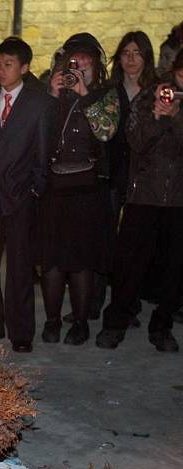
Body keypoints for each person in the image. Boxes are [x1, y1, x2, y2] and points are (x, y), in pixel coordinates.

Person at [0, 37, 55, 353]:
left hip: (21, 197)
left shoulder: (40, 104)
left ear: (24, 67)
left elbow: (43, 154)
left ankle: (21, 332)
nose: (1, 70)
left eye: (8, 64)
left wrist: (34, 189)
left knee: (20, 266)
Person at [97, 50, 183, 352]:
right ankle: (115, 323)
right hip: (143, 195)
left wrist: (178, 118)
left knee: (174, 269)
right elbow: (134, 141)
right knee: (129, 266)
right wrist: (159, 117)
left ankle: (162, 327)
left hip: (178, 199)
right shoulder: (151, 95)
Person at [39, 32, 119, 346]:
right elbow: (38, 132)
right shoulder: (51, 92)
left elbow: (106, 132)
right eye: (74, 59)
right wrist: (52, 94)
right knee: (52, 260)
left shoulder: (105, 94)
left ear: (97, 64)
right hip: (54, 187)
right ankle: (52, 320)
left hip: (87, 189)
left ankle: (81, 323)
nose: (79, 64)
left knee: (81, 261)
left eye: (86, 59)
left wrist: (84, 92)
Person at [88, 31, 156, 321]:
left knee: (136, 244)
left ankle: (129, 302)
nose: (130, 58)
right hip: (113, 175)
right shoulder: (109, 91)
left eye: (136, 53)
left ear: (146, 57)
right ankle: (95, 302)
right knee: (106, 241)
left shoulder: (156, 91)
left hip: (145, 178)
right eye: (126, 52)